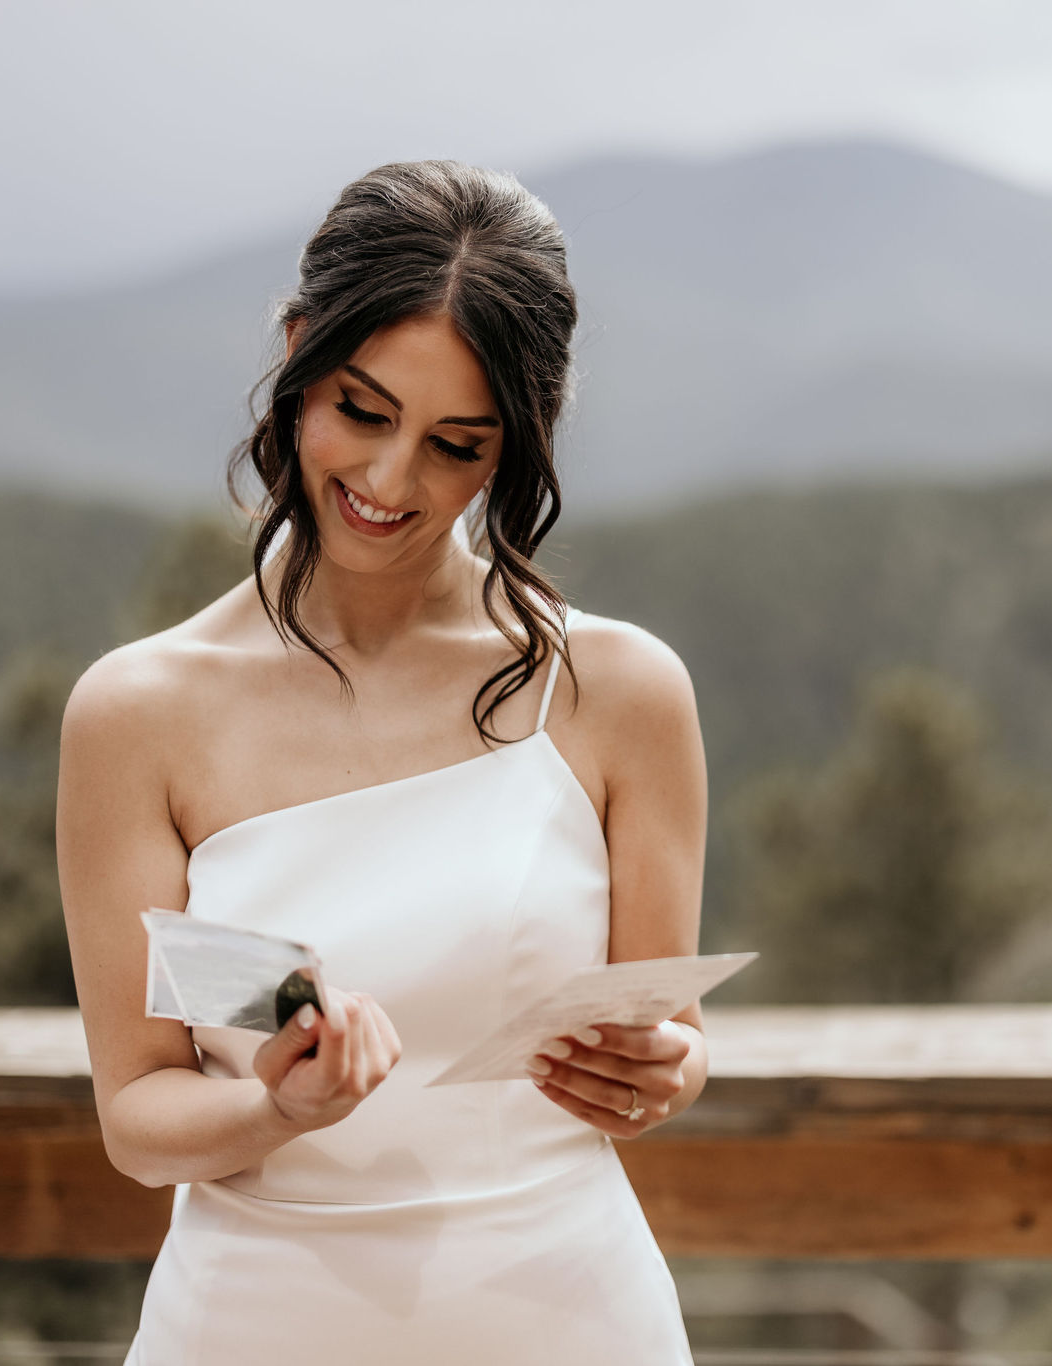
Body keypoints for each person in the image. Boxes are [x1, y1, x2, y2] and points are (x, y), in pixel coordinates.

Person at [55, 159, 707, 1363]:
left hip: (566, 1318)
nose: (391, 482)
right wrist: (272, 1106)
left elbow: (657, 1034)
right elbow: (139, 1118)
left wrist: (663, 1070)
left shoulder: (621, 695)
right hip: (252, 1323)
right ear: (299, 351)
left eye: (457, 444)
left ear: (518, 444)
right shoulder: (137, 714)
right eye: (361, 411)